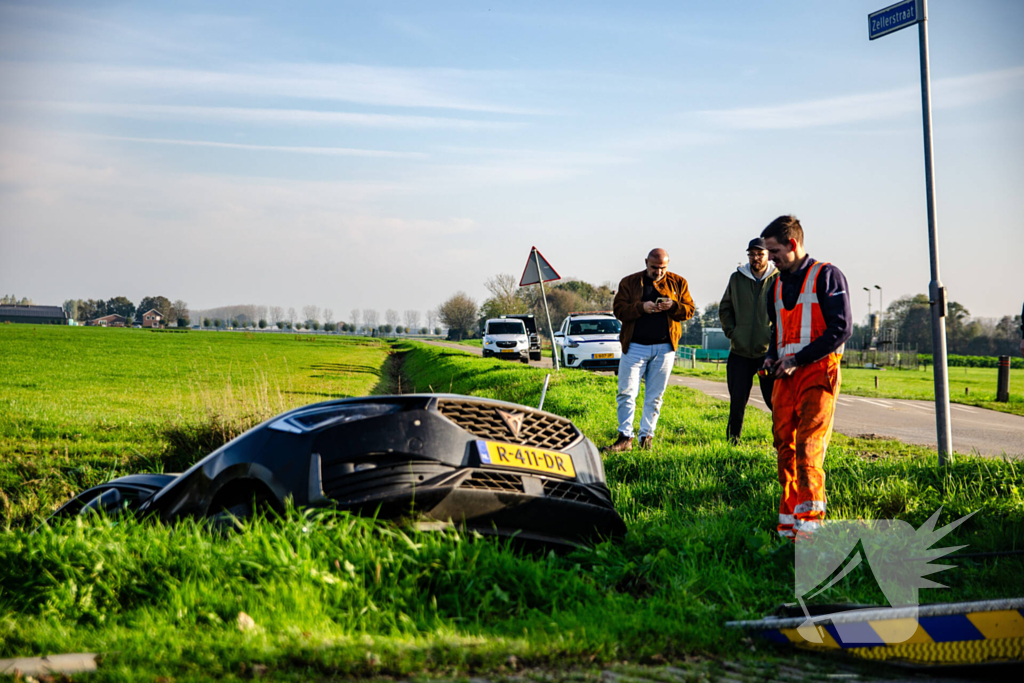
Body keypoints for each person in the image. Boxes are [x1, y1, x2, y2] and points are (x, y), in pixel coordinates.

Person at [761, 216, 852, 540]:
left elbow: (841, 329)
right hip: (784, 377)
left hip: (817, 373)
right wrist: (773, 356)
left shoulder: (827, 276)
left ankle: (811, 527)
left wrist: (797, 359)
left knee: (808, 446)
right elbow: (779, 332)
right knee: (784, 447)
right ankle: (788, 526)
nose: (769, 258)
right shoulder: (776, 285)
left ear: (793, 244)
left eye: (774, 251)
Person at [605, 248, 696, 452]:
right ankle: (625, 437)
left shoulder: (678, 282)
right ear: (646, 262)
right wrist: (640, 308)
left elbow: (689, 310)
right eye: (654, 267)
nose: (658, 272)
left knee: (655, 395)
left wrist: (673, 306)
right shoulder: (629, 282)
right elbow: (618, 310)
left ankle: (646, 437)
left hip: (665, 348)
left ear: (668, 264)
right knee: (626, 392)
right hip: (634, 346)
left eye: (663, 268)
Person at [719, 238, 778, 444]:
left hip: (768, 353)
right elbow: (725, 308)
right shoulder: (737, 278)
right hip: (740, 352)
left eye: (759, 254)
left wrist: (776, 340)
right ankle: (733, 442)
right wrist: (732, 332)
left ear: (768, 255)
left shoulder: (779, 278)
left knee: (775, 401)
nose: (755, 258)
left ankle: (780, 442)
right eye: (752, 254)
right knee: (737, 401)